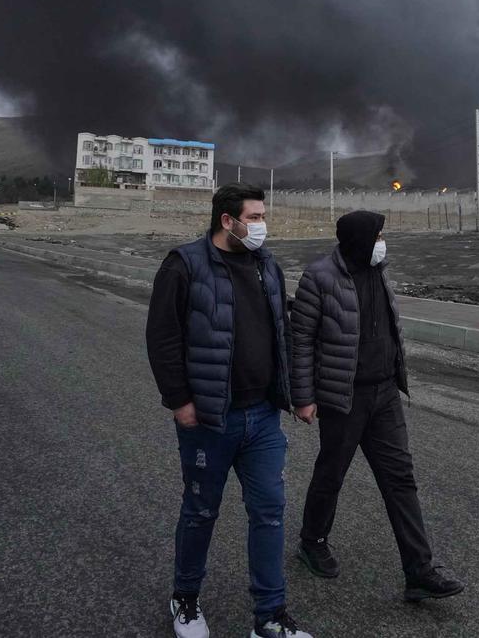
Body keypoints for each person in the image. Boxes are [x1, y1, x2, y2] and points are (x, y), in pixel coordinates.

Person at [145, 182, 314, 638]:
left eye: (262, 217)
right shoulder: (184, 264)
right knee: (200, 511)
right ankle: (185, 598)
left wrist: (298, 394)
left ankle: (270, 617)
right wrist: (180, 401)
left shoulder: (267, 265)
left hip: (263, 417)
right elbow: (162, 338)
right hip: (209, 419)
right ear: (228, 220)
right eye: (254, 218)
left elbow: (282, 332)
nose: (262, 226)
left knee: (270, 511)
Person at [292, 211, 464, 603]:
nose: (383, 242)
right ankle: (312, 541)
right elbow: (300, 340)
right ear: (360, 239)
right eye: (379, 235)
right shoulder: (318, 277)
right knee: (331, 473)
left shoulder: (379, 271)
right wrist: (303, 397)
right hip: (344, 397)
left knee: (400, 478)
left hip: (384, 393)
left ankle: (419, 570)